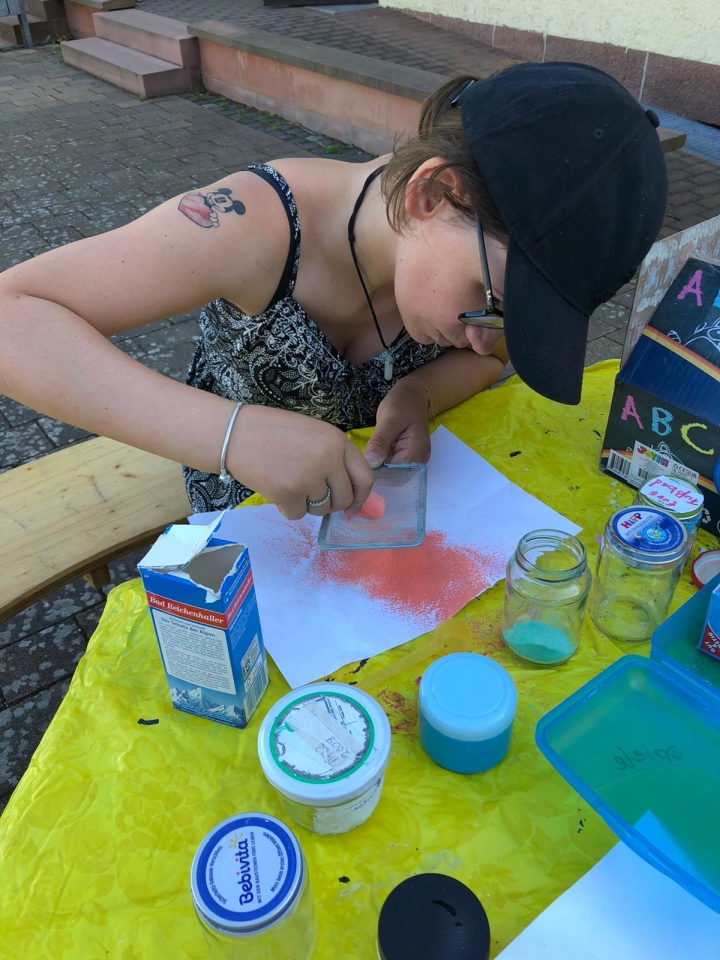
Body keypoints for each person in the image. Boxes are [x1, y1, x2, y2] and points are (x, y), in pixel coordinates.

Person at [0, 61, 667, 520]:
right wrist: (234, 437)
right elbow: (12, 313)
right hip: (248, 517)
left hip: (369, 521)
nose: (479, 335)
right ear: (432, 194)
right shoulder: (253, 225)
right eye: (489, 303)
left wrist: (417, 393)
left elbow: (489, 357)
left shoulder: (457, 289)